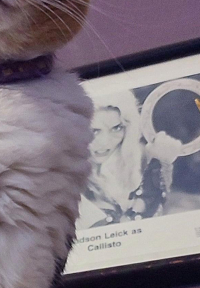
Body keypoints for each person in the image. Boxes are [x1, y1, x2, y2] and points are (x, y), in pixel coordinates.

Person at [77, 91, 181, 229]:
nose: (105, 142)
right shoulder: (59, 180)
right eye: (94, 131)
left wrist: (163, 165)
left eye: (117, 128)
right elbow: (123, 230)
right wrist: (158, 164)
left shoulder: (132, 160)